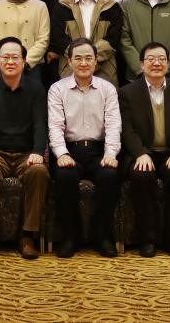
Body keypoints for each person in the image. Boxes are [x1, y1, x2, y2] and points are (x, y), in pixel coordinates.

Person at [0, 38, 49, 259]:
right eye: (5, 57)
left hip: (26, 153)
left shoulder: (36, 89)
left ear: (24, 61)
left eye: (15, 57)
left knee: (39, 172)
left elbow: (40, 124)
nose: (10, 61)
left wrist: (38, 152)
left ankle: (27, 236)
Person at [120, 43, 170, 258]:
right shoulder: (127, 92)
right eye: (151, 59)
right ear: (141, 64)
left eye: (162, 59)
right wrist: (140, 153)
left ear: (168, 63)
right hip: (143, 152)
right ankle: (147, 238)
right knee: (141, 176)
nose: (157, 63)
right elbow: (126, 129)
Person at [49, 38, 122, 258]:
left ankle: (102, 237)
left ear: (96, 61)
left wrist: (110, 153)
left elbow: (113, 124)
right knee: (65, 176)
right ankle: (70, 237)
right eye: (78, 58)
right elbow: (55, 126)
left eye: (88, 58)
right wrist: (61, 153)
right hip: (69, 150)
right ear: (69, 61)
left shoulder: (107, 89)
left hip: (99, 150)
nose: (83, 63)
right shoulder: (57, 89)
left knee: (110, 175)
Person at [51, 0, 121, 82]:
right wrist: (80, 59)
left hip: (105, 71)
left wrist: (90, 58)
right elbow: (59, 39)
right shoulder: (62, 6)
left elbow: (114, 38)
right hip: (70, 71)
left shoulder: (111, 6)